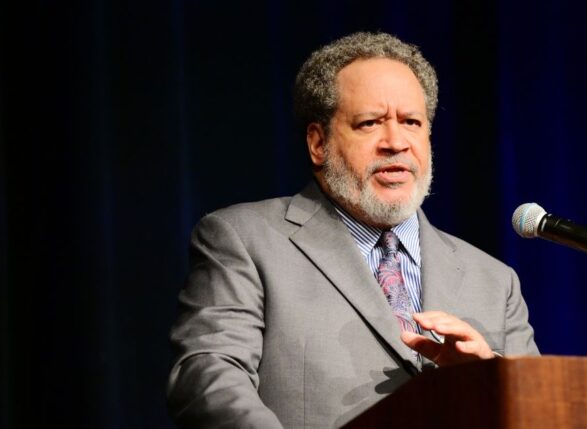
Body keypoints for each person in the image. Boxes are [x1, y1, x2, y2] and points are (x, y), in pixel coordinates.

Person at [167, 31, 539, 428]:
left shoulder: (495, 282)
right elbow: (208, 378)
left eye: (412, 122)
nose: (395, 142)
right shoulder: (244, 239)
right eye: (369, 124)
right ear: (318, 143)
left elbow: (543, 413)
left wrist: (492, 380)